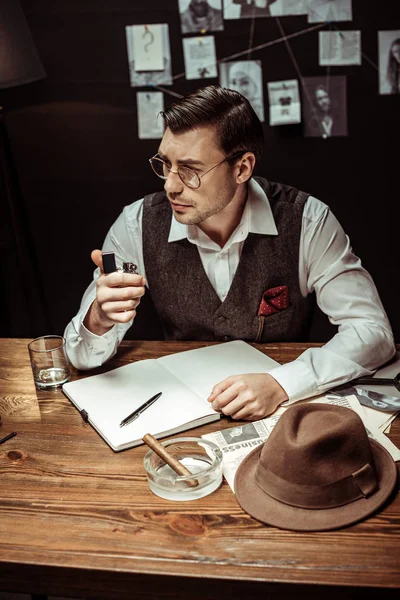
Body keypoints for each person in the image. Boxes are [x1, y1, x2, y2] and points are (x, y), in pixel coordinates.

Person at [64, 85, 395, 421]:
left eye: (191, 170)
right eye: (165, 164)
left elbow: (372, 333)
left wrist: (282, 384)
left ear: (242, 168)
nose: (170, 185)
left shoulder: (308, 221)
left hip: (281, 413)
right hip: (173, 408)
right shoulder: (136, 224)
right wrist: (99, 319)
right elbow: (80, 357)